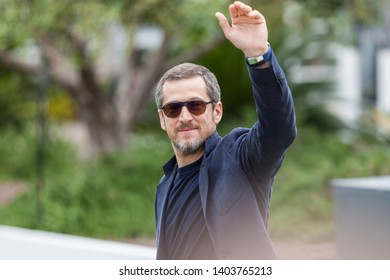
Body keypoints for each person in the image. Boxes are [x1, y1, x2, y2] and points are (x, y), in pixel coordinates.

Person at [154, 1, 296, 260]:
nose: (185, 116)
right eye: (173, 109)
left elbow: (279, 131)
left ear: (216, 111)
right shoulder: (164, 185)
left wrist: (257, 54)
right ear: (163, 119)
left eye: (195, 105)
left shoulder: (239, 157)